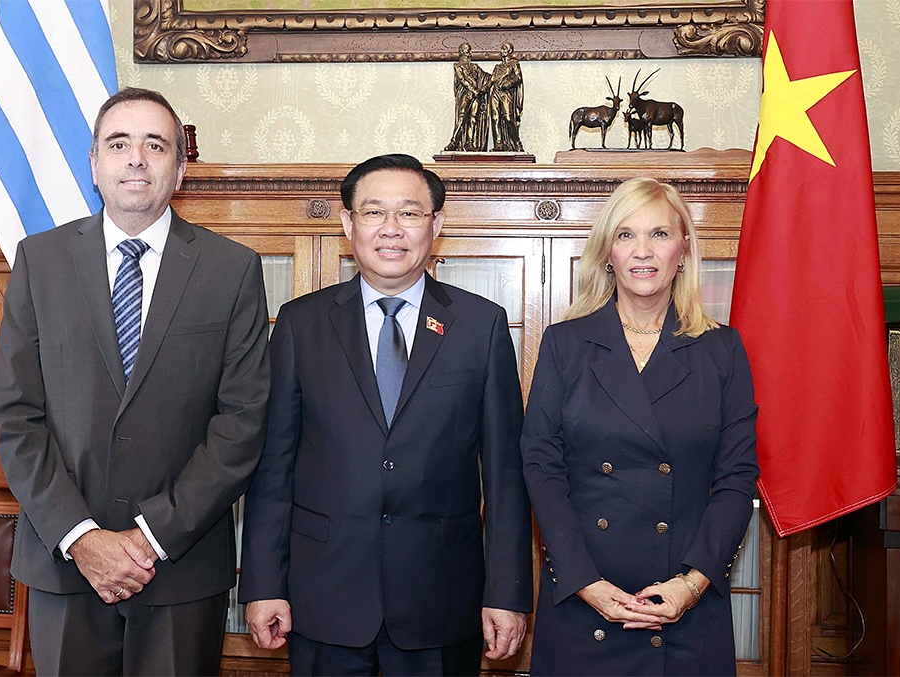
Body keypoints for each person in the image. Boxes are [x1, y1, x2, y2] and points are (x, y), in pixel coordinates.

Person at [0, 87, 271, 675]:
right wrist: (81, 536)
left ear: (180, 166)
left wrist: (150, 538)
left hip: (178, 568)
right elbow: (16, 416)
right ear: (94, 163)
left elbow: (241, 425)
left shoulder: (232, 269)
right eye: (119, 144)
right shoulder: (38, 262)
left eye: (155, 144)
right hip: (65, 565)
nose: (136, 159)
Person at [239, 154, 532, 676]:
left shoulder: (481, 327)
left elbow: (506, 476)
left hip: (441, 604)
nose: (391, 229)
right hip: (323, 601)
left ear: (436, 225)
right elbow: (273, 468)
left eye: (410, 214)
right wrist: (263, 584)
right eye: (374, 213)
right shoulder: (300, 325)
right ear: (349, 223)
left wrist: (507, 593)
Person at [520, 178, 759, 675]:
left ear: (684, 249)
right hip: (584, 600)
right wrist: (584, 581)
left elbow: (737, 478)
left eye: (659, 234)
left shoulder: (722, 349)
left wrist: (691, 586)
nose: (643, 251)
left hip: (684, 606)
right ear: (607, 251)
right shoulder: (566, 344)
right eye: (626, 235)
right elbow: (541, 467)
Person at [443, 43, 490, 152]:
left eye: (468, 50)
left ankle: (470, 142)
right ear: (461, 52)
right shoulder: (458, 66)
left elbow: (486, 77)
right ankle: (454, 141)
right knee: (462, 116)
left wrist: (490, 82)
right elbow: (462, 79)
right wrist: (474, 90)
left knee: (474, 118)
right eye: (465, 50)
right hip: (466, 94)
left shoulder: (475, 67)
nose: (467, 53)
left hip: (476, 95)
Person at [488, 42, 524, 153]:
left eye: (504, 48)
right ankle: (498, 144)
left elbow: (518, 78)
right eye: (502, 48)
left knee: (508, 118)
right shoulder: (497, 67)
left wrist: (508, 83)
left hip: (506, 93)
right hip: (495, 92)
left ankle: (517, 143)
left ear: (509, 51)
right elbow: (492, 80)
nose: (502, 50)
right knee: (495, 118)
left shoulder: (514, 63)